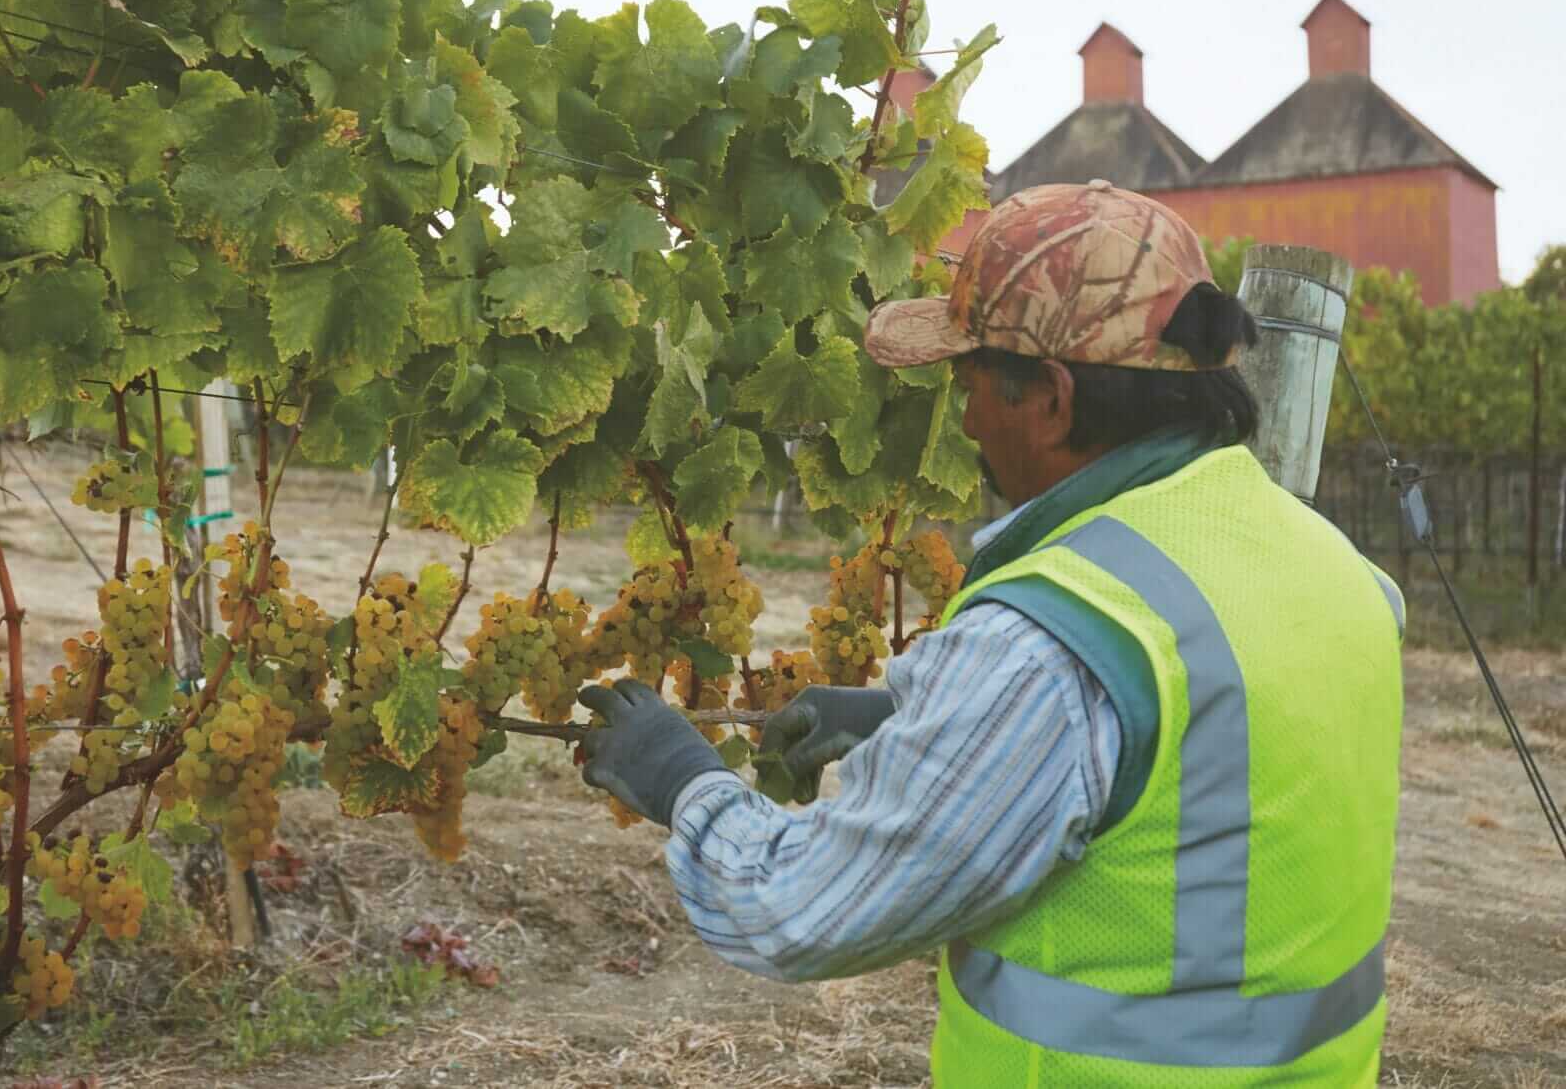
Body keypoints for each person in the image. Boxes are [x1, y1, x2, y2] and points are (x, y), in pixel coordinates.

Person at [576, 180, 1405, 1086]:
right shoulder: (1340, 571)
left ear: (1051, 396)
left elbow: (798, 907)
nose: (965, 419)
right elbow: (1198, 780)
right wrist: (905, 714)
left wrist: (682, 778)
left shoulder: (1049, 650)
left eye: (971, 382)